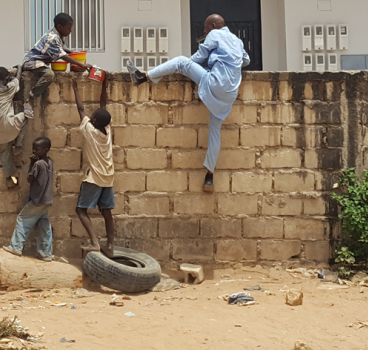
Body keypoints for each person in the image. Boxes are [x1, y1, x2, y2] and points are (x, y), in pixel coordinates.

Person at [127, 14, 249, 193]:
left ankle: (142, 77)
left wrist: (186, 68)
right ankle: (209, 175)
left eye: (206, 28)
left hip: (215, 83)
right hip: (230, 93)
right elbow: (245, 60)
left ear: (214, 25)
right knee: (215, 131)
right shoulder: (237, 40)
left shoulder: (214, 35)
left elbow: (198, 57)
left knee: (181, 61)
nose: (204, 32)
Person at [72, 74, 115, 257]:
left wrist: (75, 88)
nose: (91, 114)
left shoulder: (90, 131)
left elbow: (80, 108)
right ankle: (111, 245)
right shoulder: (107, 130)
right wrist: (104, 83)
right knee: (106, 211)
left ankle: (95, 243)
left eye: (93, 116)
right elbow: (103, 105)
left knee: (80, 210)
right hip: (108, 177)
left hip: (94, 177)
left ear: (94, 121)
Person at [22, 13, 92, 116]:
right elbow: (62, 55)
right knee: (49, 74)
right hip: (32, 62)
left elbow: (62, 49)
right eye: (68, 28)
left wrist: (75, 53)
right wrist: (81, 65)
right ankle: (31, 98)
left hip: (40, 63)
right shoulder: (52, 38)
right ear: (60, 27)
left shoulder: (57, 35)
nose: (70, 31)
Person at [3, 137, 55, 261]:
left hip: (37, 200)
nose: (34, 151)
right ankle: (46, 253)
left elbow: (29, 179)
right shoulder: (50, 162)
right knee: (44, 226)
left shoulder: (38, 164)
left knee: (22, 219)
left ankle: (16, 246)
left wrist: (31, 163)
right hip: (47, 201)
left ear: (46, 150)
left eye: (37, 149)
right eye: (34, 149)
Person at [0, 62, 30, 189]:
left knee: (4, 152)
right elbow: (18, 76)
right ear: (6, 78)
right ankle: (18, 145)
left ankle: (10, 177)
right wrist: (19, 67)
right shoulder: (10, 88)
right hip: (10, 125)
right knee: (26, 116)